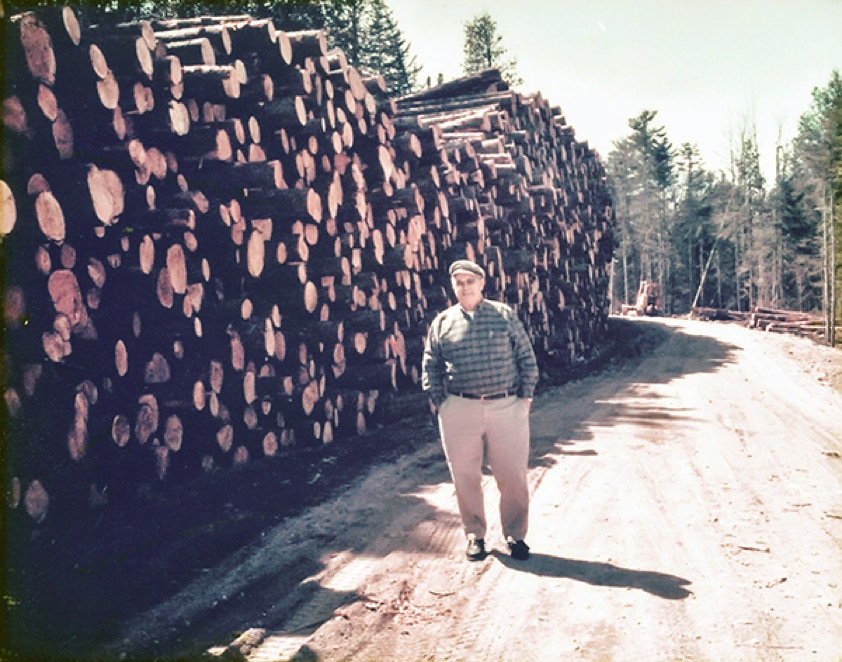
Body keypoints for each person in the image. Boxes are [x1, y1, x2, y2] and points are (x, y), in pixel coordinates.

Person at [422, 259, 539, 561]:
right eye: (459, 282)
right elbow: (430, 365)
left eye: (470, 281)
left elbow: (527, 358)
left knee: (512, 474)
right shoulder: (443, 322)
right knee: (464, 475)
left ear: (482, 283)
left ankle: (515, 536)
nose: (465, 287)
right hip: (459, 408)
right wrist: (441, 403)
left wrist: (525, 399)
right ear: (453, 286)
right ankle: (475, 535)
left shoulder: (503, 315)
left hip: (506, 406)